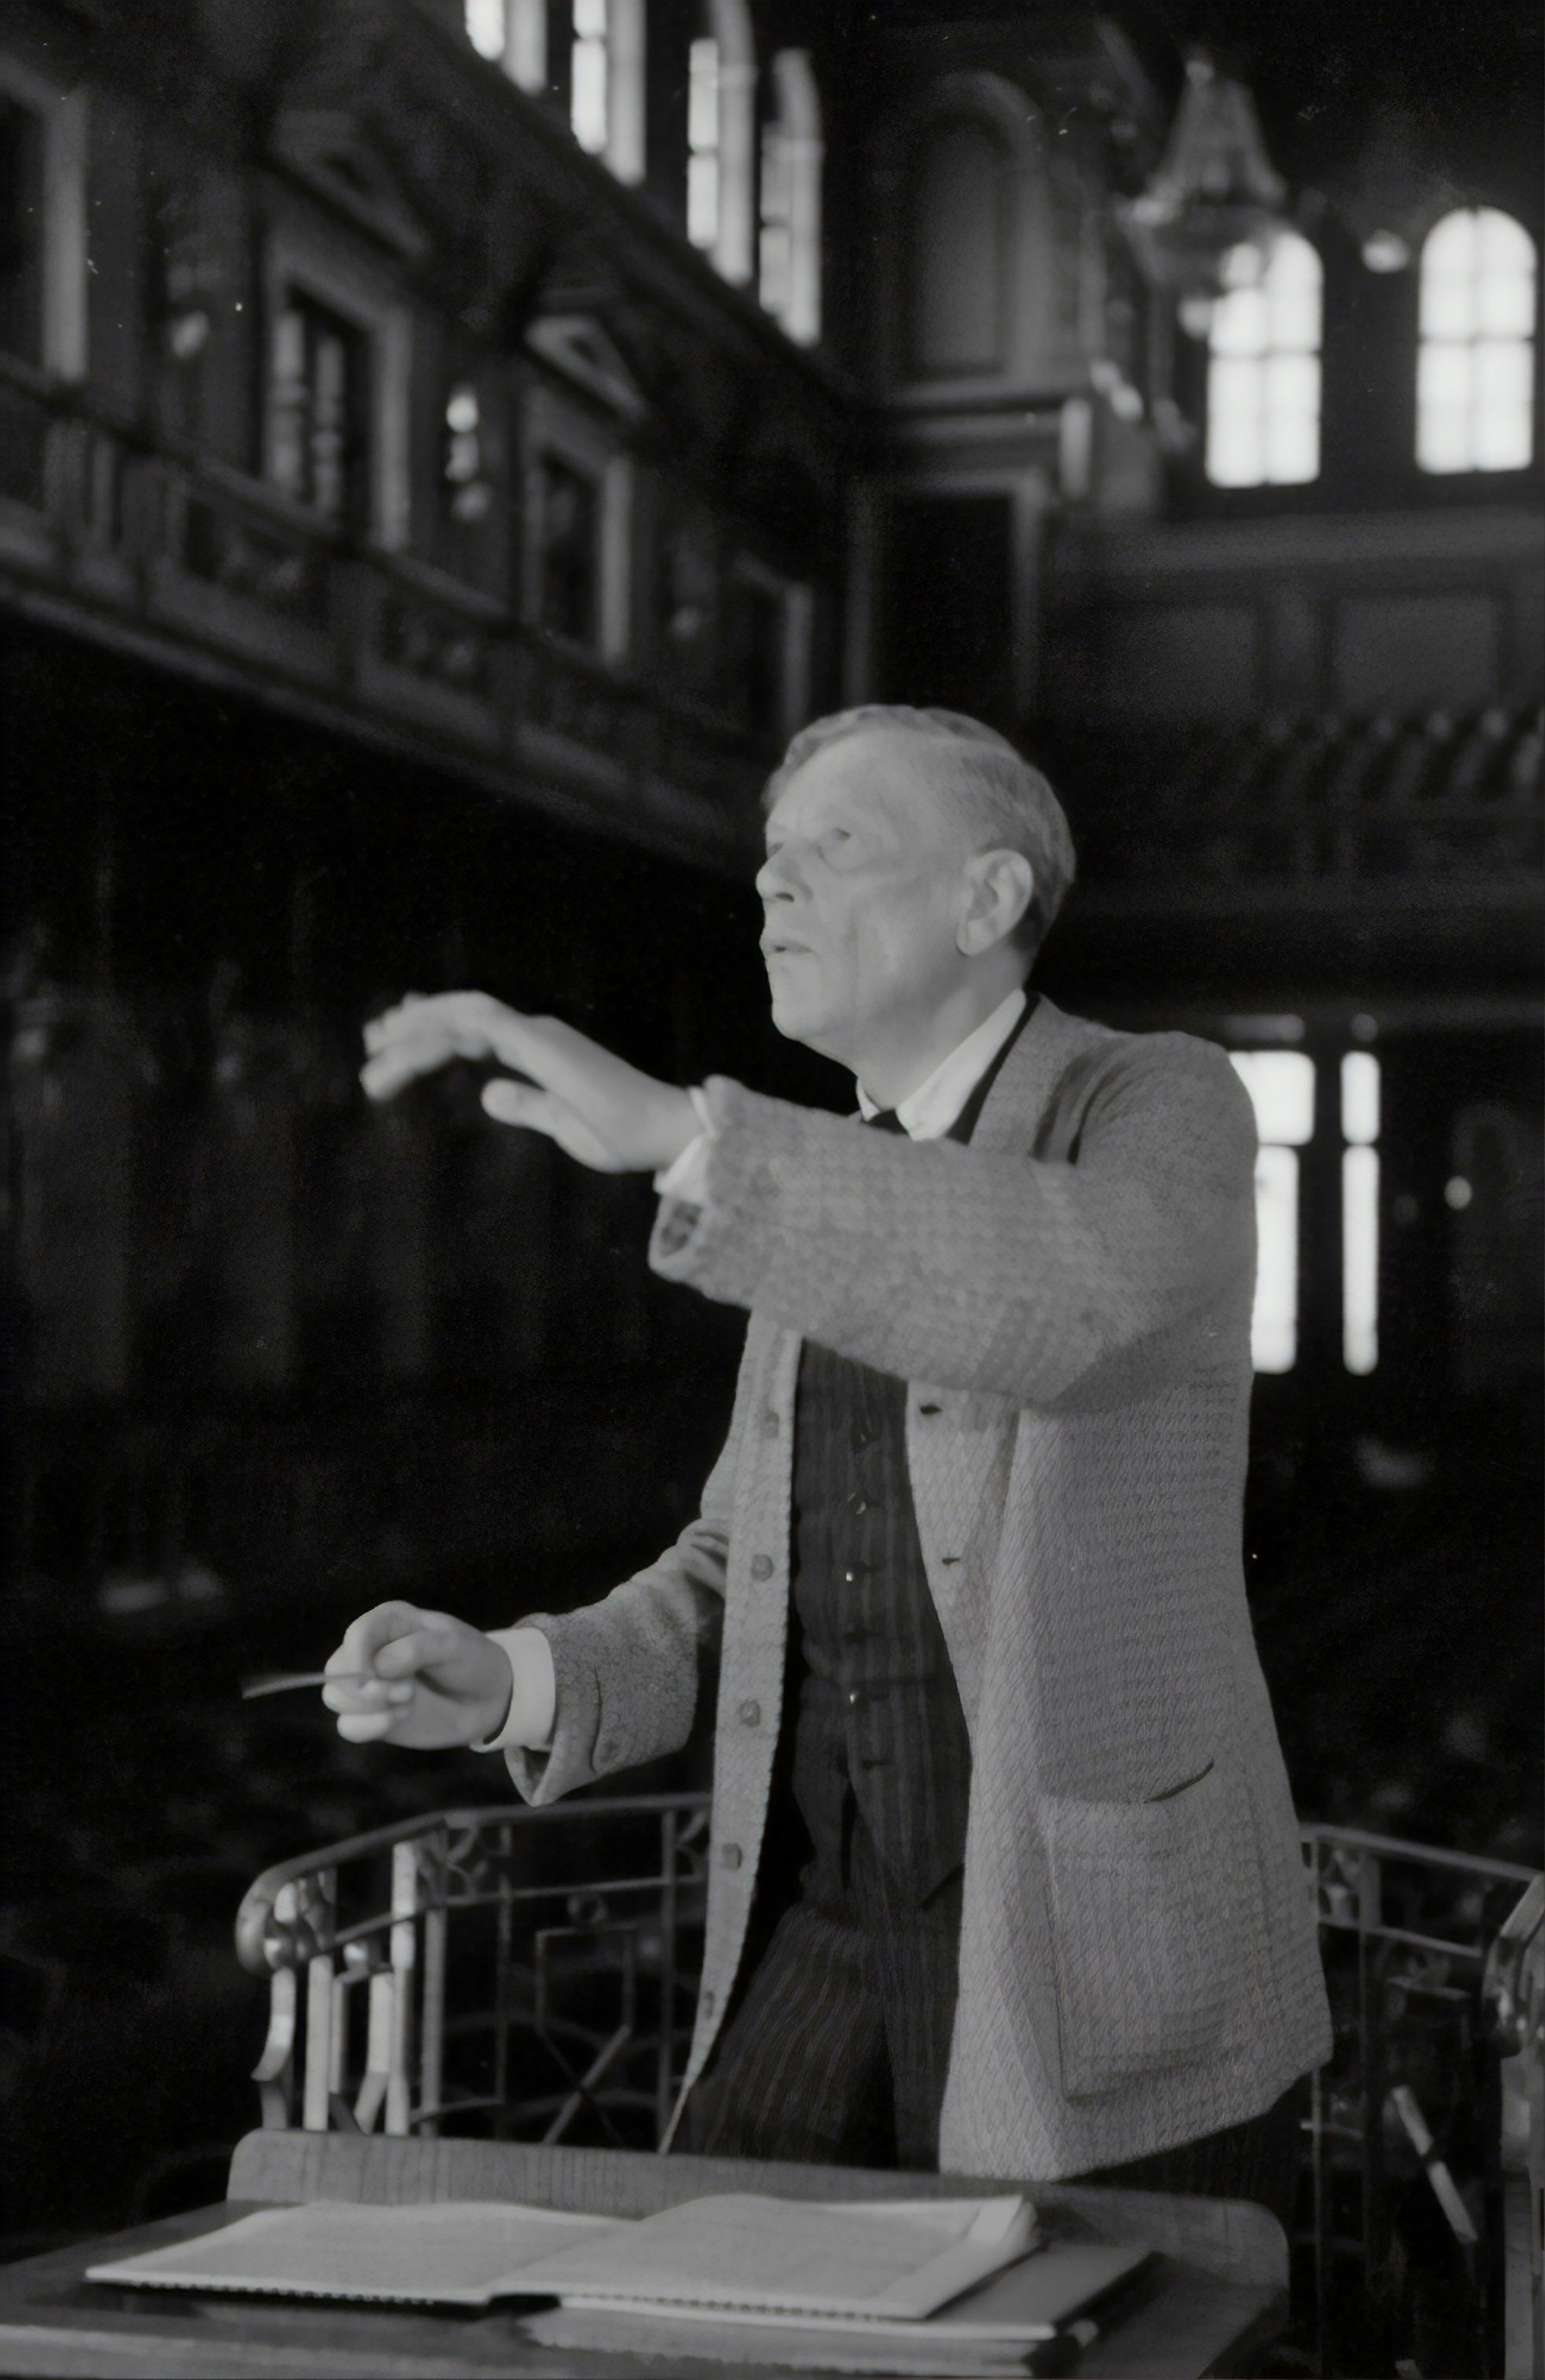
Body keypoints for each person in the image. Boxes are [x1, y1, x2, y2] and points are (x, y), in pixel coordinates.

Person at [324, 705, 1331, 2210]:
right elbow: (752, 1572)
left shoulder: (1155, 1101)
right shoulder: (822, 1165)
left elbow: (1079, 1297)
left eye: (836, 846)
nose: (772, 886)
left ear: (991, 900)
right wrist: (519, 1676)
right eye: (771, 857)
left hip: (1090, 1952)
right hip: (830, 1928)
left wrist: (688, 1136)